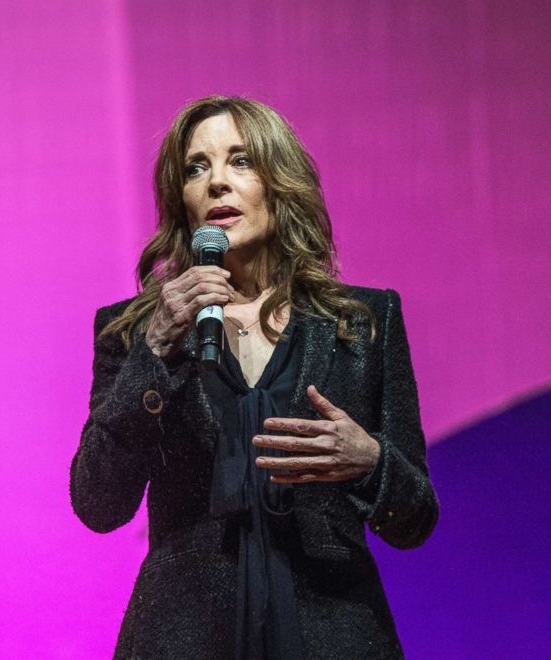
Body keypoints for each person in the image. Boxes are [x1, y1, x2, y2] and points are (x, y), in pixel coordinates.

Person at [70, 95, 439, 659]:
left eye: (240, 160)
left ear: (277, 181)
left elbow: (414, 521)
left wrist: (370, 461)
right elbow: (98, 503)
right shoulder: (132, 332)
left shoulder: (362, 322)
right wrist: (158, 349)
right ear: (181, 201)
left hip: (332, 634)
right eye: (197, 167)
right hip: (186, 637)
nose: (217, 182)